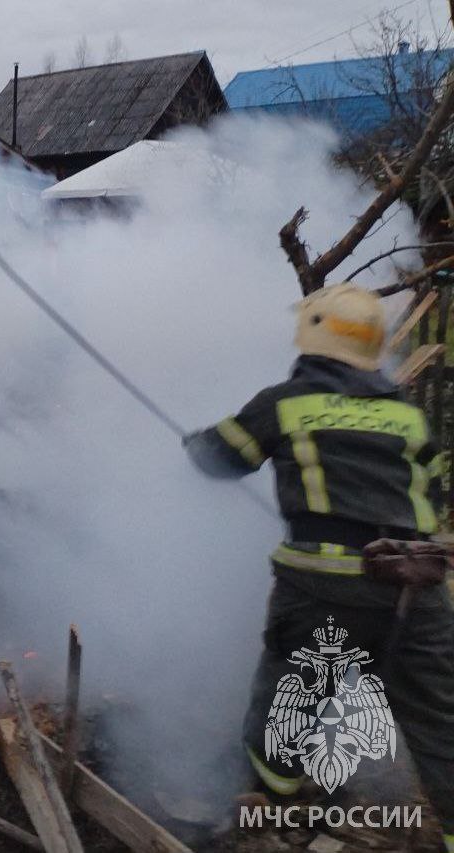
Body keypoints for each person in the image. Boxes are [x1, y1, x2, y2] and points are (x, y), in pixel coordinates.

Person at [184, 283, 454, 849]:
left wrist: (196, 446)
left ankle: (274, 802)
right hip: (416, 588)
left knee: (286, 699)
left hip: (323, 590)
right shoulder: (407, 413)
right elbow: (428, 491)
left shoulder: (285, 403)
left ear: (312, 337)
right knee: (440, 719)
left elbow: (222, 458)